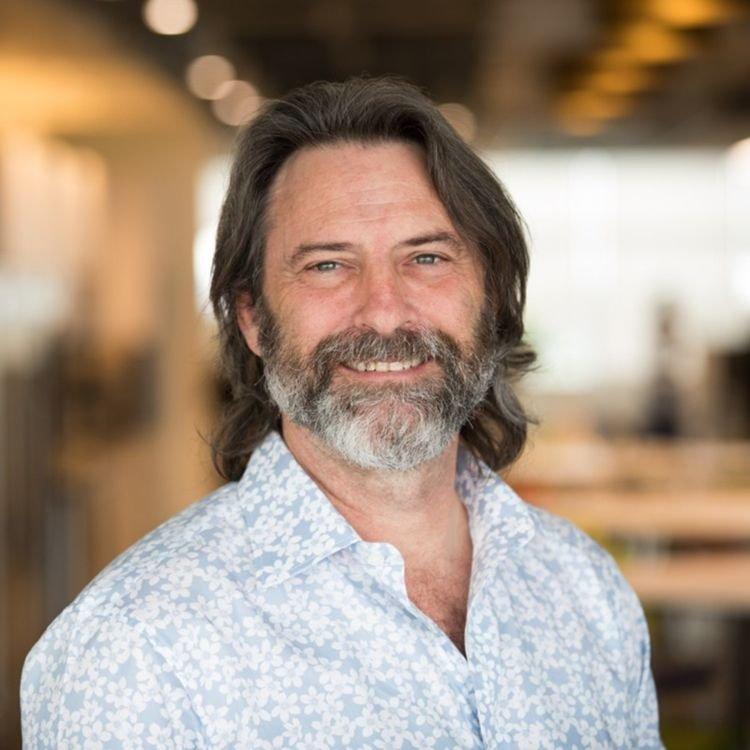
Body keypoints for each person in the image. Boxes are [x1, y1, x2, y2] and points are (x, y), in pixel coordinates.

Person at [21, 78, 663, 748]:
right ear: (252, 318)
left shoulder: (584, 587)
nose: (384, 312)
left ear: (493, 297)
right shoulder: (132, 653)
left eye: (426, 258)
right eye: (328, 265)